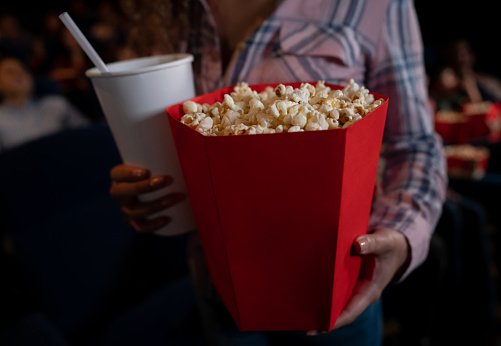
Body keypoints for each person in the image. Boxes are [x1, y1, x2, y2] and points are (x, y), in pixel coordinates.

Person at [108, 0, 447, 345]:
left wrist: (403, 234)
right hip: (218, 284)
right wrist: (149, 185)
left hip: (332, 287)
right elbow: (180, 139)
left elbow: (416, 143)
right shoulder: (173, 9)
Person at [0, 55, 90, 152]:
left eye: (23, 69)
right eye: (9, 71)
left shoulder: (57, 104)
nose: (19, 74)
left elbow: (89, 135)